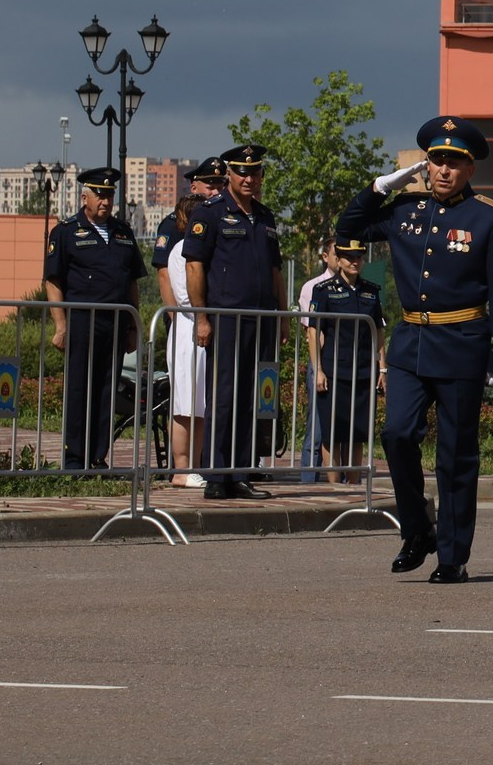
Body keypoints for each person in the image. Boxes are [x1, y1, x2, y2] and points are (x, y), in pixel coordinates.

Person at [337, 118, 493, 582]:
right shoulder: (404, 209)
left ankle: (452, 556)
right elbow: (348, 227)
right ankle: (418, 529)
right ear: (426, 165)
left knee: (455, 455)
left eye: (454, 162)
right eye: (437, 160)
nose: (444, 170)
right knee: (397, 435)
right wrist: (381, 187)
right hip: (410, 345)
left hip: (462, 344)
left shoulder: (490, 219)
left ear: (470, 168)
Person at [182, 145, 285, 499]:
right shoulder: (210, 213)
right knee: (223, 396)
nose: (248, 178)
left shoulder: (265, 216)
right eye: (242, 172)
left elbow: (275, 270)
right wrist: (202, 317)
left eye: (254, 172)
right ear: (229, 175)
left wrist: (282, 317)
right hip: (225, 318)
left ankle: (240, 472)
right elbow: (194, 266)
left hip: (261, 319)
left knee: (251, 398)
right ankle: (216, 474)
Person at [42, 166, 142, 473]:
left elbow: (132, 282)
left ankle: (97, 457)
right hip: (83, 321)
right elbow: (53, 282)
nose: (106, 201)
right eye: (100, 195)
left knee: (106, 389)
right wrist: (60, 324)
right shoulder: (66, 232)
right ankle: (75, 460)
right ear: (84, 197)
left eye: (110, 195)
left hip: (116, 321)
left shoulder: (123, 232)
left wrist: (133, 326)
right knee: (80, 389)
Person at [298, 237, 386, 483]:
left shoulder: (371, 291)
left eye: (359, 257)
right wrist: (318, 369)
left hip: (363, 370)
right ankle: (335, 487)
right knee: (332, 433)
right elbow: (314, 331)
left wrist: (382, 368)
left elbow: (378, 331)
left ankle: (355, 485)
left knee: (357, 433)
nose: (355, 261)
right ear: (338, 259)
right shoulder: (324, 290)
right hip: (334, 369)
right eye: (349, 257)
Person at [157, 157, 222, 485]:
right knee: (185, 403)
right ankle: (182, 469)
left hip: (196, 324)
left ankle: (193, 465)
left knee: (199, 403)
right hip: (189, 325)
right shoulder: (183, 248)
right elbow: (183, 291)